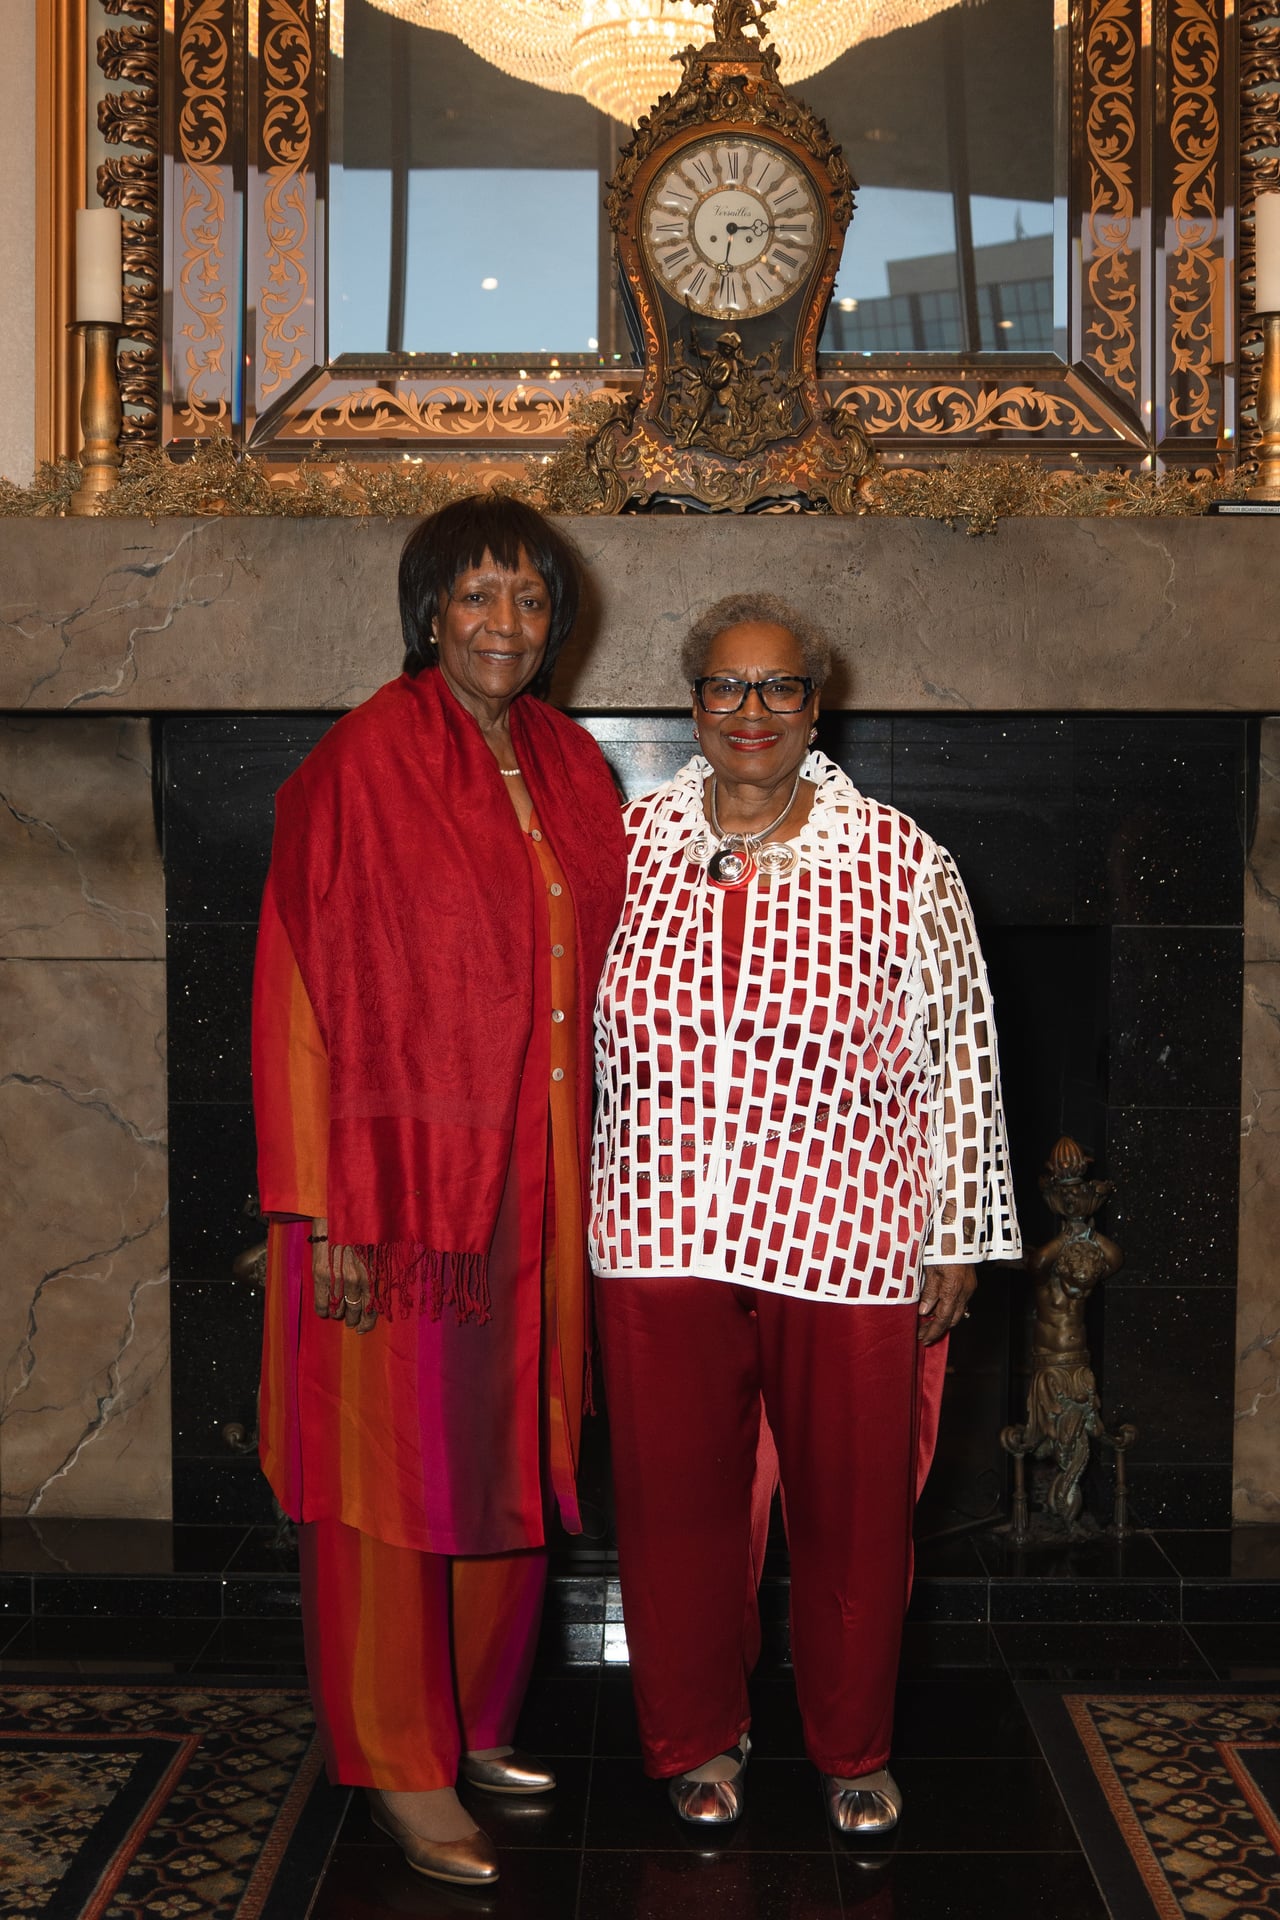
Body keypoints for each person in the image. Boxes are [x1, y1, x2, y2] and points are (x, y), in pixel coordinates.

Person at [590, 591, 1020, 1834]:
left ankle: (850, 1748)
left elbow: (958, 1052)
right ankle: (695, 1737)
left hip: (846, 1233)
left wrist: (954, 1228)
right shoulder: (621, 850)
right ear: (691, 704)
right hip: (655, 1230)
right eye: (725, 685)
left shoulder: (898, 858)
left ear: (814, 705)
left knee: (853, 1514)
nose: (751, 710)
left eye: (778, 685)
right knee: (673, 1511)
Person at [252, 496, 625, 1887]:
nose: (503, 624)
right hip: (394, 1201)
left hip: (537, 1181)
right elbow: (296, 992)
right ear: (427, 612)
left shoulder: (569, 761)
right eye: (475, 595)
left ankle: (473, 1722)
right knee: (392, 1478)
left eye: (528, 598)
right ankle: (396, 1758)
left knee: (506, 1452)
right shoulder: (362, 761)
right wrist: (327, 1204)